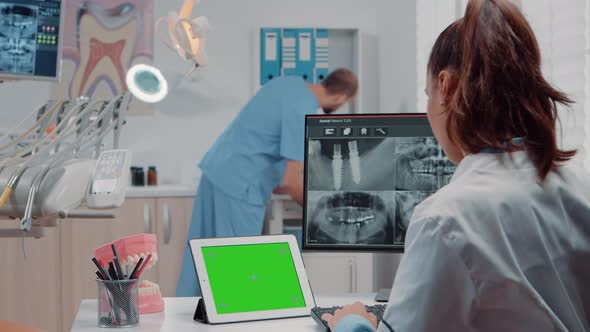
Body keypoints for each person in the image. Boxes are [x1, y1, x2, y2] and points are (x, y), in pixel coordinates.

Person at [323, 1, 590, 331]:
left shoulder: (445, 220)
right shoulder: (578, 188)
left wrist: (352, 324)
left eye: (428, 95)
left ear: (445, 87)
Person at [176, 69, 358, 297]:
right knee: (236, 265)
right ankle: (233, 323)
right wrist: (316, 213)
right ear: (341, 98)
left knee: (200, 258)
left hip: (217, 170)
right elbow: (292, 182)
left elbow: (263, 137)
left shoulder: (288, 83)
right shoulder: (303, 109)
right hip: (240, 185)